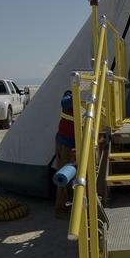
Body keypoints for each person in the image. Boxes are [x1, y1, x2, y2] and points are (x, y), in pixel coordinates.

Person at [55, 89, 75, 218]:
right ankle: (62, 208)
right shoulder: (69, 96)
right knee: (64, 175)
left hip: (78, 143)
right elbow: (65, 103)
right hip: (66, 143)